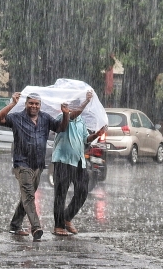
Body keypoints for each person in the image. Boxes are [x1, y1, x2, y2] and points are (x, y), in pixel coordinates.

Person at [0, 92, 70, 242]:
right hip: (22, 164)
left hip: (38, 165)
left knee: (26, 198)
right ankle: (36, 227)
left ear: (40, 105)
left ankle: (15, 225)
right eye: (31, 103)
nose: (34, 106)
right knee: (29, 196)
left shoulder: (45, 118)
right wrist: (12, 104)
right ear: (26, 104)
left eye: (37, 104)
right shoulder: (17, 118)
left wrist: (66, 114)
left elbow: (61, 128)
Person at [51, 92, 106, 236]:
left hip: (79, 162)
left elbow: (85, 139)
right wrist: (86, 101)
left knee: (82, 191)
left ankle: (67, 217)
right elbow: (71, 116)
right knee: (60, 194)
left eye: (77, 105)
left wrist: (97, 134)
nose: (75, 109)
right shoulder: (62, 118)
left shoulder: (81, 121)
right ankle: (58, 226)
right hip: (63, 160)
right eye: (73, 106)